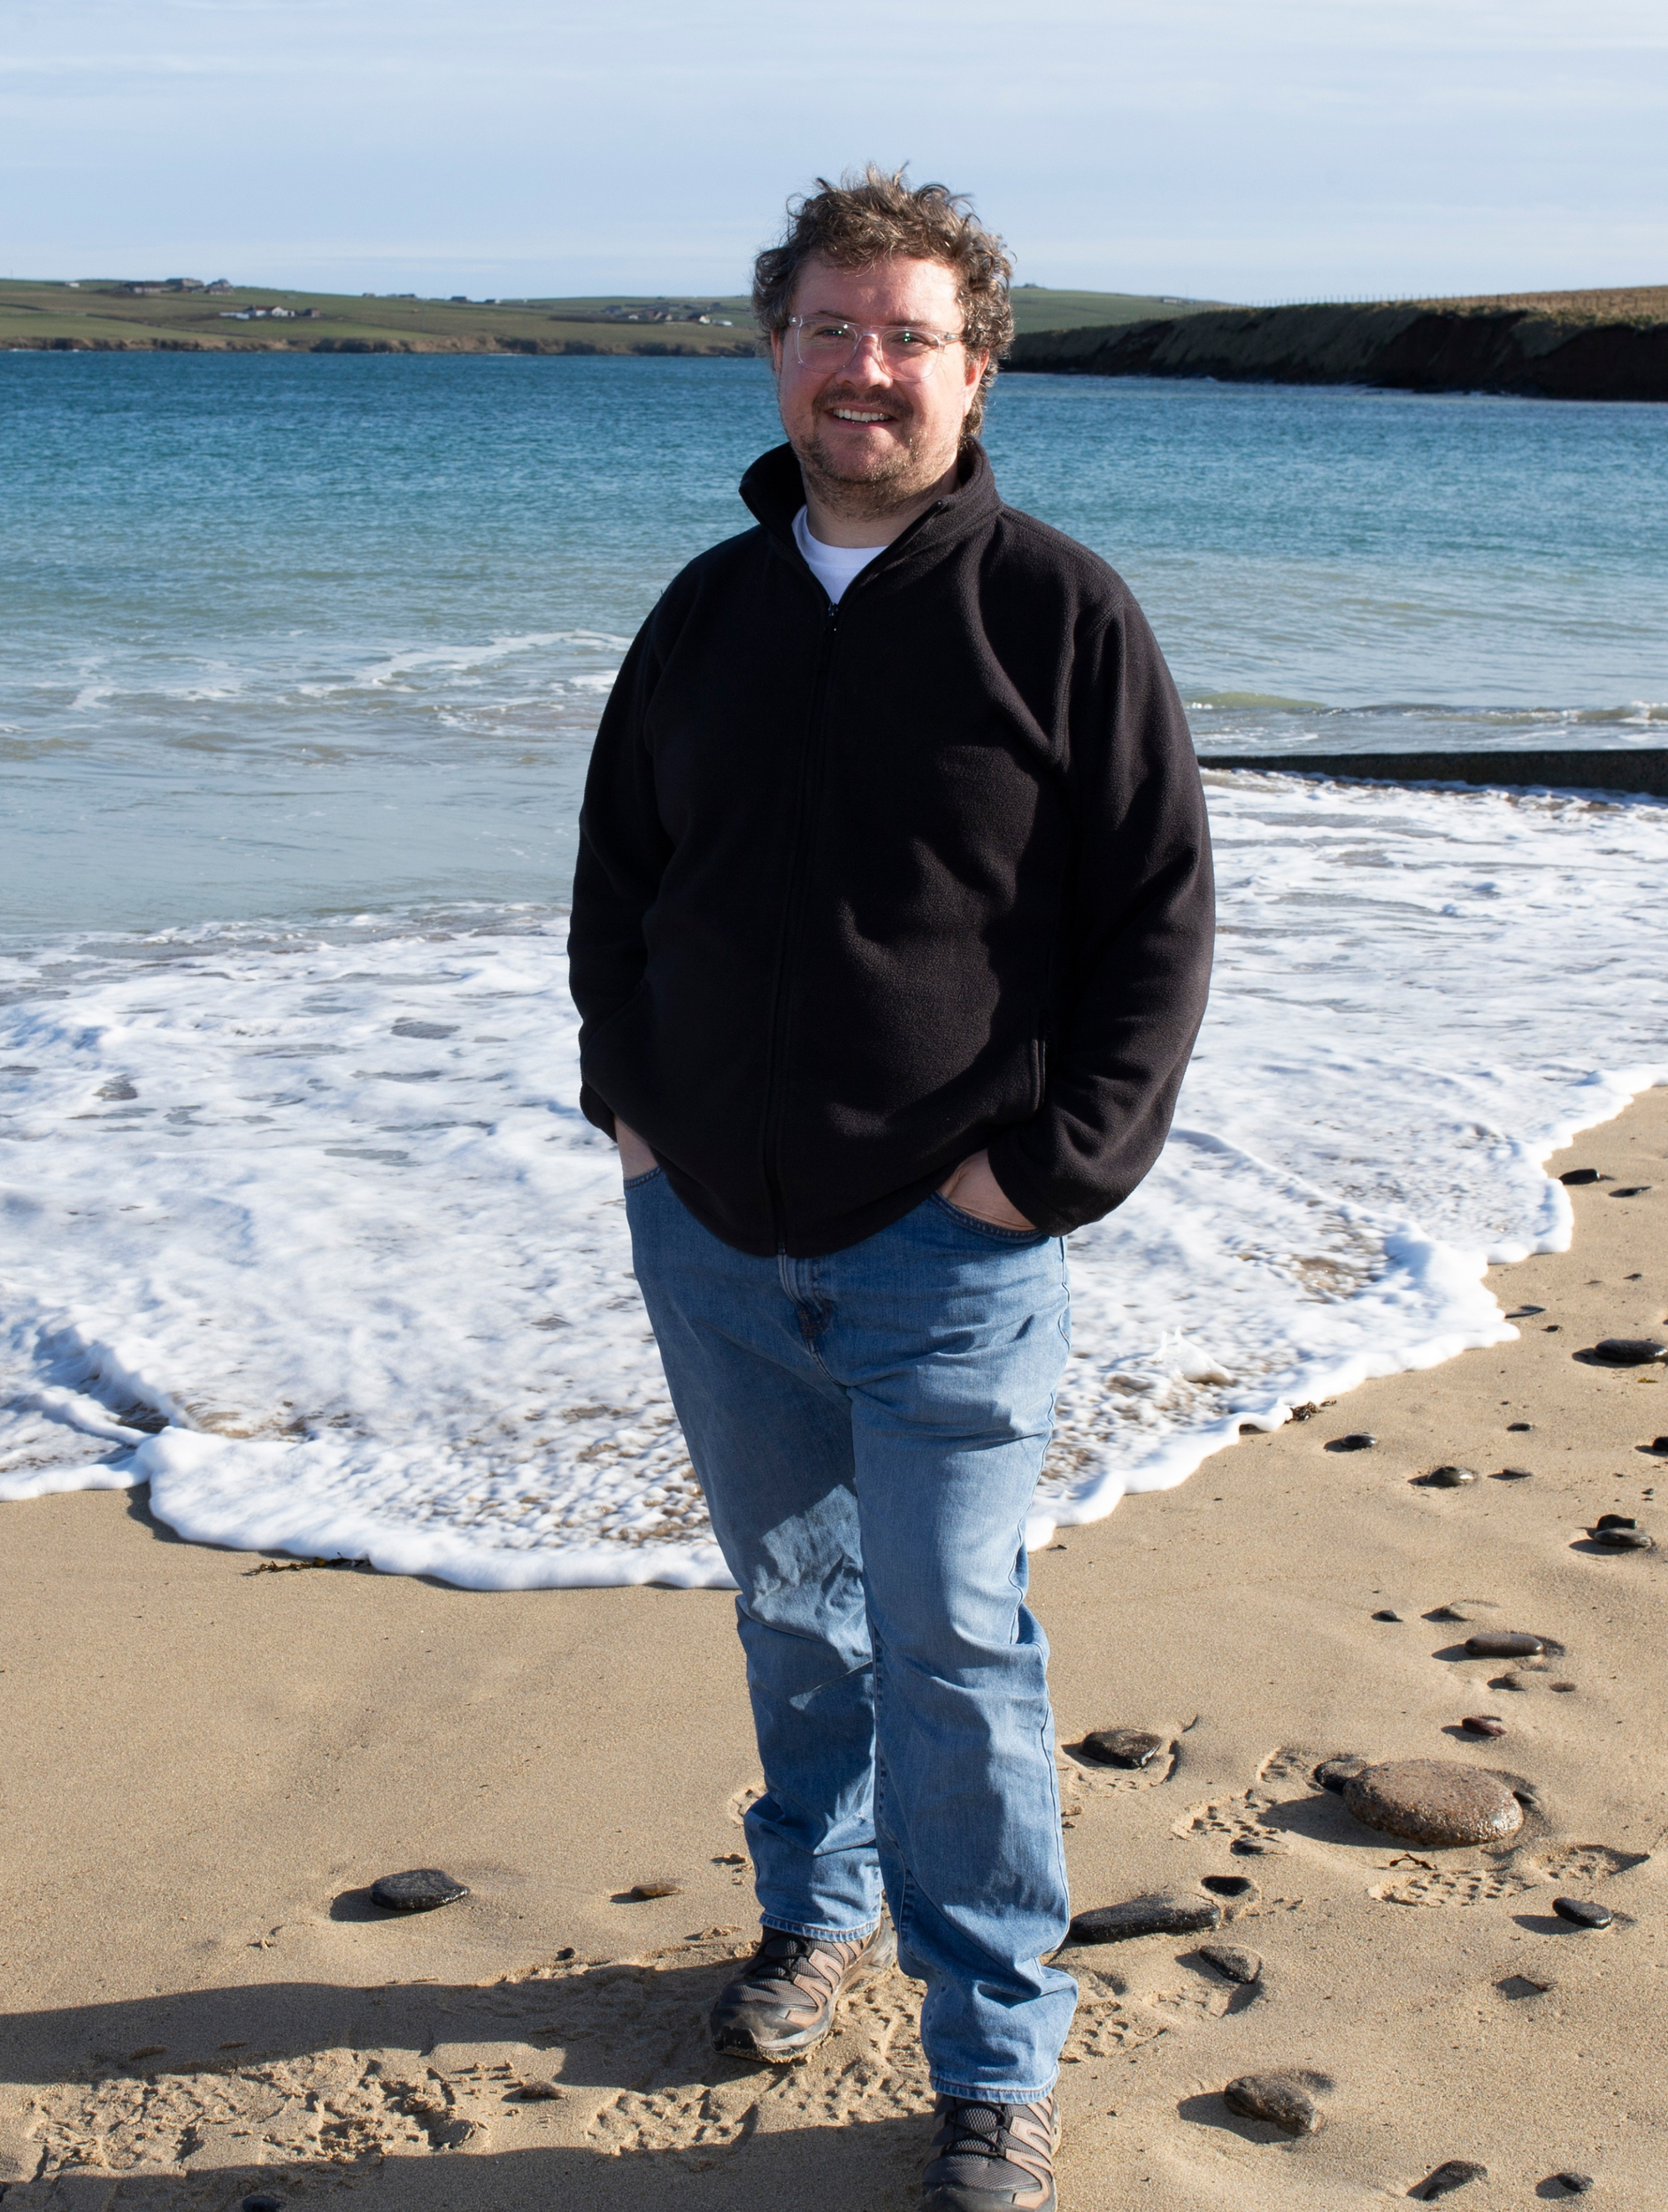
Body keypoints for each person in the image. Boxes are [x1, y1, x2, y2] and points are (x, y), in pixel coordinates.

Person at [567, 166, 1213, 2212]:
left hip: (950, 1243)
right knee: (790, 1609)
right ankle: (809, 1910)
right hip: (713, 1235)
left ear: (976, 364)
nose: (865, 369)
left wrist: (1042, 1173)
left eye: (907, 335)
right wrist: (628, 1104)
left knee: (948, 1636)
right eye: (830, 329)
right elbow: (614, 879)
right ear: (773, 354)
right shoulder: (704, 609)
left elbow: (1158, 925)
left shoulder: (1059, 611)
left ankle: (991, 2052)